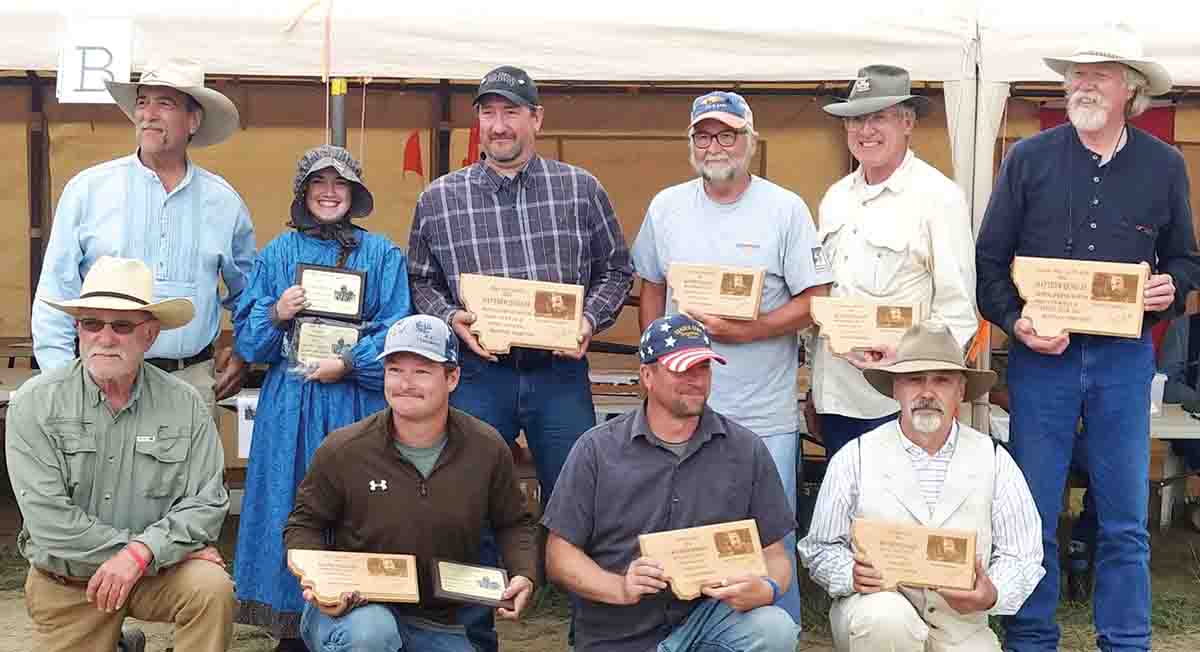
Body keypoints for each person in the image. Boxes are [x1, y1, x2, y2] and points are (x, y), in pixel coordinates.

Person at [975, 24, 1200, 651]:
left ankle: (1126, 641)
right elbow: (989, 263)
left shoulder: (1164, 165)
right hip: (1040, 362)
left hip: (1123, 361)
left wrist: (1169, 287)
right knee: (1034, 513)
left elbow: (1186, 259)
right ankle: (1030, 639)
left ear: (1130, 89)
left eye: (1098, 74)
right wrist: (1014, 321)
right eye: (1076, 74)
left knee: (1124, 519)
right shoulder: (1028, 158)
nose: (1083, 84)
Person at [407, 64, 633, 650]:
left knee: (584, 506)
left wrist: (588, 319)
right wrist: (450, 319)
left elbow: (617, 271)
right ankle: (472, 638)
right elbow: (421, 281)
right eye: (488, 112)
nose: (499, 124)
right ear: (477, 122)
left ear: (537, 118)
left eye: (511, 111)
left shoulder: (580, 188)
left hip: (559, 377)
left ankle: (595, 636)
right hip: (480, 375)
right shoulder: (440, 197)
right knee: (470, 506)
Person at [631, 90, 831, 625]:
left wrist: (753, 330)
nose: (714, 145)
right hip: (681, 410)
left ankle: (774, 631)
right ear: (690, 142)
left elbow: (818, 299)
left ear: (750, 140)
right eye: (703, 135)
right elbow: (650, 281)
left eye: (727, 134)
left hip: (761, 412)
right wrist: (654, 352)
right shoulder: (666, 206)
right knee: (686, 536)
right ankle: (680, 632)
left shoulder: (784, 208)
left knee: (770, 544)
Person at [231, 145, 411, 649]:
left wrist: (350, 363)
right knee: (290, 505)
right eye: (319, 184)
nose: (330, 193)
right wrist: (276, 313)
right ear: (303, 192)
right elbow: (248, 339)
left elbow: (397, 329)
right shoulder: (277, 255)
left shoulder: (382, 255)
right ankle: (293, 625)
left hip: (355, 400)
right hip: (291, 403)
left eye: (340, 184)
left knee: (360, 503)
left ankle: (359, 614)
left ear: (354, 193)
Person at [6, 256, 234, 652]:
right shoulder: (34, 404)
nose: (105, 337)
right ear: (78, 329)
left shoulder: (186, 404)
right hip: (71, 585)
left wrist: (143, 555)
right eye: (91, 323)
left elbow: (207, 503)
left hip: (153, 573)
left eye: (121, 325)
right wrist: (143, 551)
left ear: (149, 335)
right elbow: (49, 522)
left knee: (211, 587)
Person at [543, 314, 800, 652]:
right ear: (647, 375)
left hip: (707, 621)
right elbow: (559, 556)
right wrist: (620, 586)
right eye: (682, 369)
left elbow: (776, 556)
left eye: (703, 368)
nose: (696, 380)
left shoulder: (746, 449)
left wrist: (766, 588)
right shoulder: (596, 449)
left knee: (775, 628)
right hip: (616, 633)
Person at [284, 314, 537, 652]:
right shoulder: (343, 449)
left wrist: (523, 573)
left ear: (452, 378)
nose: (405, 383)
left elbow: (513, 523)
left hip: (440, 617)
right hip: (357, 609)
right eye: (395, 370)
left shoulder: (487, 447)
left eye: (421, 371)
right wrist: (321, 583)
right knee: (371, 635)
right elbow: (304, 524)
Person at [799, 322, 1043, 651]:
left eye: (941, 380)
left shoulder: (995, 459)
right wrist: (850, 574)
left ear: (960, 391)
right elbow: (821, 548)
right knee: (886, 618)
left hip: (960, 628)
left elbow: (1023, 555)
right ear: (895, 389)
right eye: (915, 379)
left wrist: (992, 592)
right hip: (876, 615)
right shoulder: (855, 457)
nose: (927, 393)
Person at [32, 56, 256, 408]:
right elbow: (55, 290)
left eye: (164, 103)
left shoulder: (224, 202)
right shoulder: (88, 189)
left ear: (193, 120)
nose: (148, 114)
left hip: (190, 382)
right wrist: (61, 380)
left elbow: (249, 293)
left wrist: (245, 353)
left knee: (190, 466)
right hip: (98, 381)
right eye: (142, 101)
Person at [813, 64, 978, 460]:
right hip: (837, 395)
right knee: (846, 515)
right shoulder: (835, 197)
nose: (864, 131)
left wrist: (913, 367)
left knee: (899, 519)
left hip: (897, 401)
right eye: (854, 120)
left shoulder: (939, 197)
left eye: (878, 118)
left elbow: (959, 312)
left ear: (908, 123)